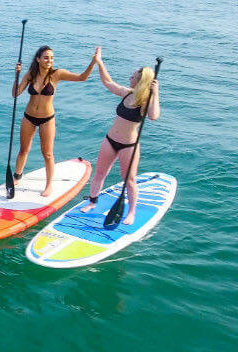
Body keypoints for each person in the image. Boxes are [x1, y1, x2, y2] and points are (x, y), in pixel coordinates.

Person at [80, 46, 160, 225]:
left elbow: (154, 116)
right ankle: (92, 202)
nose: (130, 78)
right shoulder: (127, 93)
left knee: (129, 180)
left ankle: (131, 212)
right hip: (110, 140)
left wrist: (156, 93)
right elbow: (108, 83)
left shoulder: (146, 102)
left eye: (133, 76)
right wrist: (99, 62)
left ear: (140, 81)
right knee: (100, 173)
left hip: (129, 146)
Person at [12, 45, 96, 197]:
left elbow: (82, 77)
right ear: (38, 59)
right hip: (29, 117)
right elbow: (15, 94)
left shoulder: (57, 74)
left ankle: (49, 185)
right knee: (23, 150)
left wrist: (93, 62)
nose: (49, 60)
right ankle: (17, 176)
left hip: (47, 119)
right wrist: (17, 75)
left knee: (48, 154)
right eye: (46, 57)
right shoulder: (30, 74)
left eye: (51, 58)